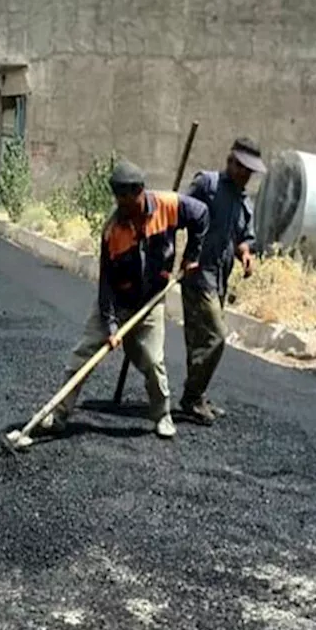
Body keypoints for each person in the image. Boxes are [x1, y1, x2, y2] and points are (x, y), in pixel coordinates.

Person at [41, 160, 208, 440]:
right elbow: (105, 283)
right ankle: (58, 415)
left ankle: (162, 414)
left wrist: (192, 255)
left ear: (141, 191)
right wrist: (110, 325)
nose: (121, 205)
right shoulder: (112, 231)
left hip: (152, 301)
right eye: (117, 197)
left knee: (154, 362)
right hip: (118, 301)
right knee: (82, 356)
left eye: (126, 198)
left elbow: (201, 214)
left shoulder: (167, 205)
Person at [177, 137, 264, 426]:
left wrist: (246, 255)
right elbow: (181, 214)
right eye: (243, 169)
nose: (246, 176)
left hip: (220, 278)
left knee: (201, 340)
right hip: (198, 274)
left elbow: (241, 240)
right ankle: (192, 397)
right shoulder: (207, 185)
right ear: (231, 162)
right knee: (215, 335)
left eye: (251, 172)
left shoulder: (244, 203)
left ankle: (196, 396)